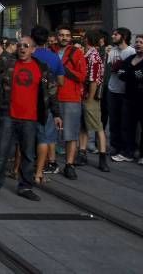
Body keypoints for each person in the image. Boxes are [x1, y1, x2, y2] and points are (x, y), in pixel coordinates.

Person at [0, 35, 61, 202]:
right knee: (1, 152)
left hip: (30, 118)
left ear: (33, 49)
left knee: (28, 155)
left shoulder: (42, 68)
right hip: (9, 115)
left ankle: (25, 186)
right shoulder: (9, 62)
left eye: (26, 45)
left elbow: (51, 91)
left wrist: (56, 113)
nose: (22, 48)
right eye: (20, 45)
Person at [51, 25, 87, 180]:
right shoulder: (50, 50)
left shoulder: (77, 53)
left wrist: (63, 70)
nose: (64, 37)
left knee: (70, 133)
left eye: (67, 35)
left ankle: (69, 164)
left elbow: (82, 76)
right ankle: (51, 162)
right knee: (50, 132)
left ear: (70, 37)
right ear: (57, 36)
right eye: (61, 35)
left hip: (71, 98)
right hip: (51, 96)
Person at [29, 26, 65, 179]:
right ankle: (49, 163)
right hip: (47, 100)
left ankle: (26, 164)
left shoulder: (27, 54)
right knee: (47, 135)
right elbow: (61, 81)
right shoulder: (54, 57)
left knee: (29, 135)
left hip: (28, 100)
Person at [77, 30, 110, 172]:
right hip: (84, 96)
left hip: (90, 97)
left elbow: (93, 80)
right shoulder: (89, 54)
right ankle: (82, 153)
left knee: (98, 127)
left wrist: (89, 99)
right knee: (83, 126)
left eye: (85, 37)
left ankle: (102, 159)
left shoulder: (93, 55)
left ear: (89, 39)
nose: (83, 39)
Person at [107, 27, 135, 161]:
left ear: (123, 36)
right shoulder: (112, 51)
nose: (113, 36)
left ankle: (126, 149)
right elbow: (110, 68)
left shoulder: (131, 52)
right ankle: (114, 146)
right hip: (112, 89)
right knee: (113, 121)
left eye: (115, 34)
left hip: (125, 92)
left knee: (125, 122)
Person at [117, 34, 143, 164]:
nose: (138, 44)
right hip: (129, 98)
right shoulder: (130, 58)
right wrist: (133, 74)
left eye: (141, 42)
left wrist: (128, 73)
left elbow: (134, 75)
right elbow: (120, 74)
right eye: (137, 42)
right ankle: (129, 152)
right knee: (128, 126)